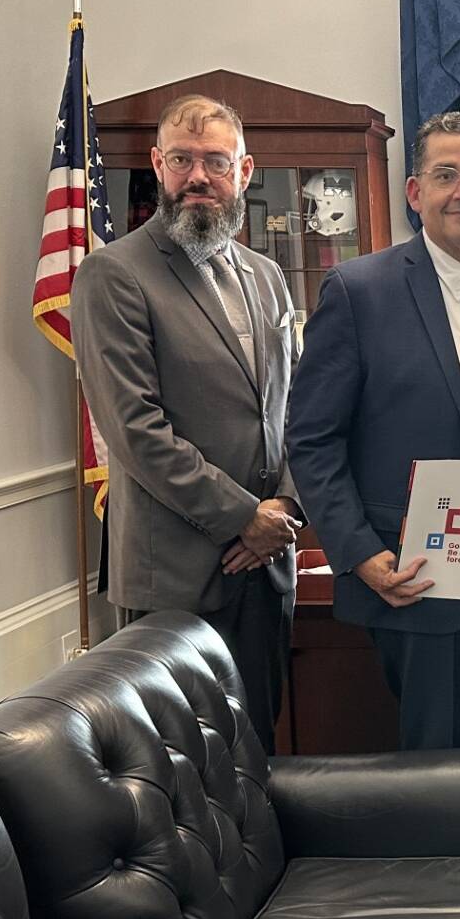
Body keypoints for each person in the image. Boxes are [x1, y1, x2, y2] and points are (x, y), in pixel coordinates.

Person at [286, 111, 460, 750]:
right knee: (441, 764)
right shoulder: (359, 291)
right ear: (416, 192)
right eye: (445, 175)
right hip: (420, 573)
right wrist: (357, 553)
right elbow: (311, 438)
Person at [72, 95, 303, 753]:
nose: (198, 176)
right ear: (157, 165)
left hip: (266, 567)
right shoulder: (113, 274)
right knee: (184, 773)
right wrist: (244, 517)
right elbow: (136, 431)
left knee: (257, 748)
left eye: (215, 161)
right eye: (181, 159)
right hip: (175, 578)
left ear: (245, 171)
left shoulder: (267, 277)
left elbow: (297, 409)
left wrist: (281, 508)